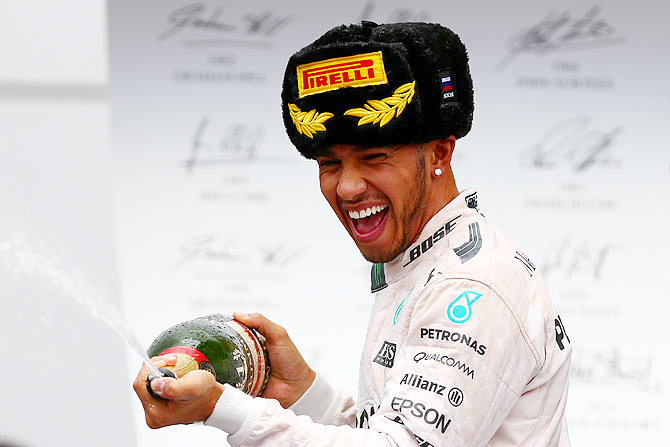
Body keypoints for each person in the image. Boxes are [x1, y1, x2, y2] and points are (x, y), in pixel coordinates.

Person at [134, 22, 572, 446]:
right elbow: (386, 434)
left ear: (440, 152)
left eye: (374, 157)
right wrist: (302, 393)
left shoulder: (470, 286)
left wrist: (224, 409)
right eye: (329, 163)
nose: (347, 187)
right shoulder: (425, 262)